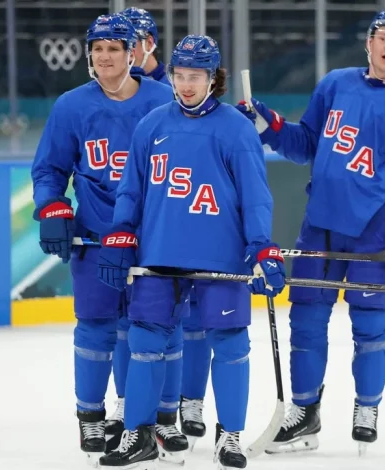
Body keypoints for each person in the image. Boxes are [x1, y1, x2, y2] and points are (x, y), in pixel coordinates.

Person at [235, 7, 385, 455]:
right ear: (368, 42)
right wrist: (269, 126)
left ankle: (367, 406)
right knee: (306, 321)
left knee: (370, 325)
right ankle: (305, 413)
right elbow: (307, 143)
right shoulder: (334, 84)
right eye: (382, 37)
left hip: (375, 231)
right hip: (320, 225)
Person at [96, 34, 286, 470]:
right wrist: (121, 232)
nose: (184, 85)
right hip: (160, 253)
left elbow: (256, 197)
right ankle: (138, 435)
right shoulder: (152, 124)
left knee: (231, 343)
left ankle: (230, 438)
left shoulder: (236, 129)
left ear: (213, 78)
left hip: (220, 256)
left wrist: (261, 247)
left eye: (194, 77)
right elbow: (132, 188)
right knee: (145, 340)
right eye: (179, 75)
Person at [30, 13, 175, 466]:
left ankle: (143, 419)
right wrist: (52, 206)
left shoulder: (164, 100)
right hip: (95, 239)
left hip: (152, 240)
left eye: (114, 47)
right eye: (98, 48)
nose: (105, 56)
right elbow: (49, 169)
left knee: (149, 331)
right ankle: (90, 415)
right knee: (95, 328)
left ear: (134, 53)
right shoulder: (72, 106)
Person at [98, 8, 200, 458]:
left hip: (170, 230)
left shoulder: (174, 92)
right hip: (126, 229)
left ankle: (176, 410)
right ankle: (128, 407)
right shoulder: (104, 94)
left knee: (177, 327)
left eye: (135, 41)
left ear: (150, 45)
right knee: (127, 326)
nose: (127, 49)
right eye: (122, 42)